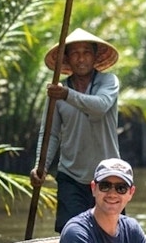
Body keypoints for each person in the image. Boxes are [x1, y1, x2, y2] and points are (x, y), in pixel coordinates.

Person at [32, 28, 121, 232]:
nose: (81, 59)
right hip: (70, 175)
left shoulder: (108, 82)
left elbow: (99, 106)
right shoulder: (58, 91)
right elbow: (50, 133)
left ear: (95, 56)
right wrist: (41, 166)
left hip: (107, 175)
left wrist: (66, 95)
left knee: (110, 233)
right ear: (68, 59)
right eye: (75, 53)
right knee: (73, 233)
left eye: (86, 52)